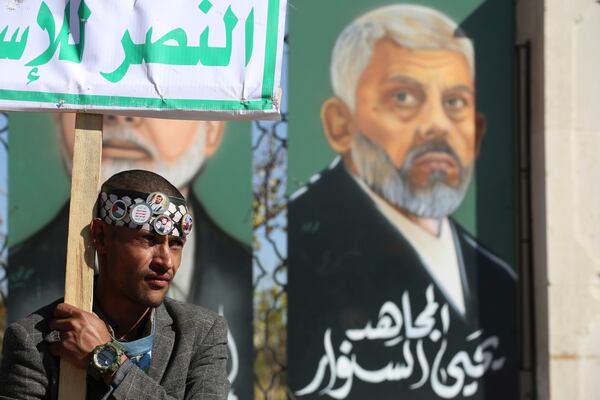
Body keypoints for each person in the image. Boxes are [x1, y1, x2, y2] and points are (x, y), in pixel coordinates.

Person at [288, 4, 518, 399]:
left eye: (455, 103)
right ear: (340, 124)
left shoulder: (499, 282)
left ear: (477, 133)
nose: (437, 124)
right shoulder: (292, 252)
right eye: (404, 96)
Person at [9, 115, 252, 400]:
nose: (166, 261)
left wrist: (108, 361)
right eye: (148, 239)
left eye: (175, 244)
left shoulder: (200, 333)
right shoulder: (35, 341)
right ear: (100, 238)